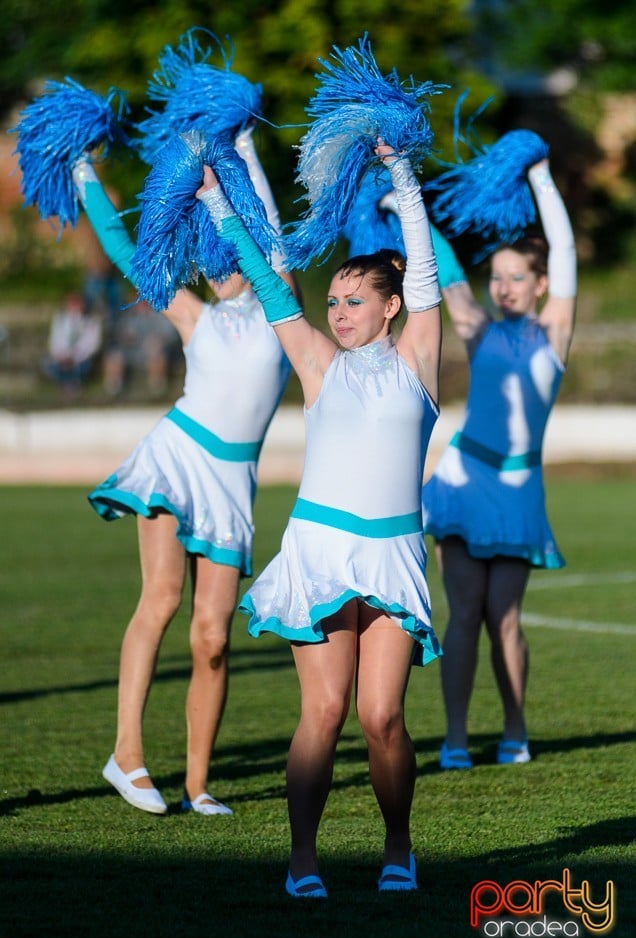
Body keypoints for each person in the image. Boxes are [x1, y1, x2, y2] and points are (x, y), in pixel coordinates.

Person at [196, 139, 442, 896]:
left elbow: (423, 265)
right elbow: (272, 285)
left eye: (354, 300)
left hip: (394, 555)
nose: (337, 312)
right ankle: (303, 857)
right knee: (326, 709)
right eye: (332, 301)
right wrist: (214, 202)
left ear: (392, 305)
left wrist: (401, 170)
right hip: (320, 551)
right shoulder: (318, 364)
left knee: (381, 718)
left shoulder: (417, 362)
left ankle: (397, 842)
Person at [72, 125, 296, 816]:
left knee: (213, 637)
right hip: (178, 457)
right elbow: (122, 249)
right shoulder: (196, 315)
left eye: (234, 253)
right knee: (162, 599)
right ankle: (128, 754)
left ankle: (199, 784)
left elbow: (275, 236)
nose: (224, 265)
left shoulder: (283, 312)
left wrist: (247, 151)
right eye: (213, 258)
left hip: (232, 485)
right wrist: (82, 173)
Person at [421, 157, 577, 770]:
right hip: (462, 480)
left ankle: (516, 727)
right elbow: (447, 269)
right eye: (499, 277)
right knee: (462, 617)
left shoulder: (553, 335)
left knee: (504, 619)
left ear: (541, 284)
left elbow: (564, 249)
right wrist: (401, 200)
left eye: (518, 278)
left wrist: (541, 176)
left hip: (516, 490)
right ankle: (455, 736)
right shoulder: (478, 329)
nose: (504, 287)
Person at [41, 291, 103, 396]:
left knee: (83, 367)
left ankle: (74, 385)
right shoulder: (60, 319)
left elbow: (92, 345)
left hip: (81, 359)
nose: (74, 306)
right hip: (62, 358)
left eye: (77, 303)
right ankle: (65, 386)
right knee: (48, 365)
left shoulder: (91, 321)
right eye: (71, 303)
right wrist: (62, 356)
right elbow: (54, 341)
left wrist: (74, 357)